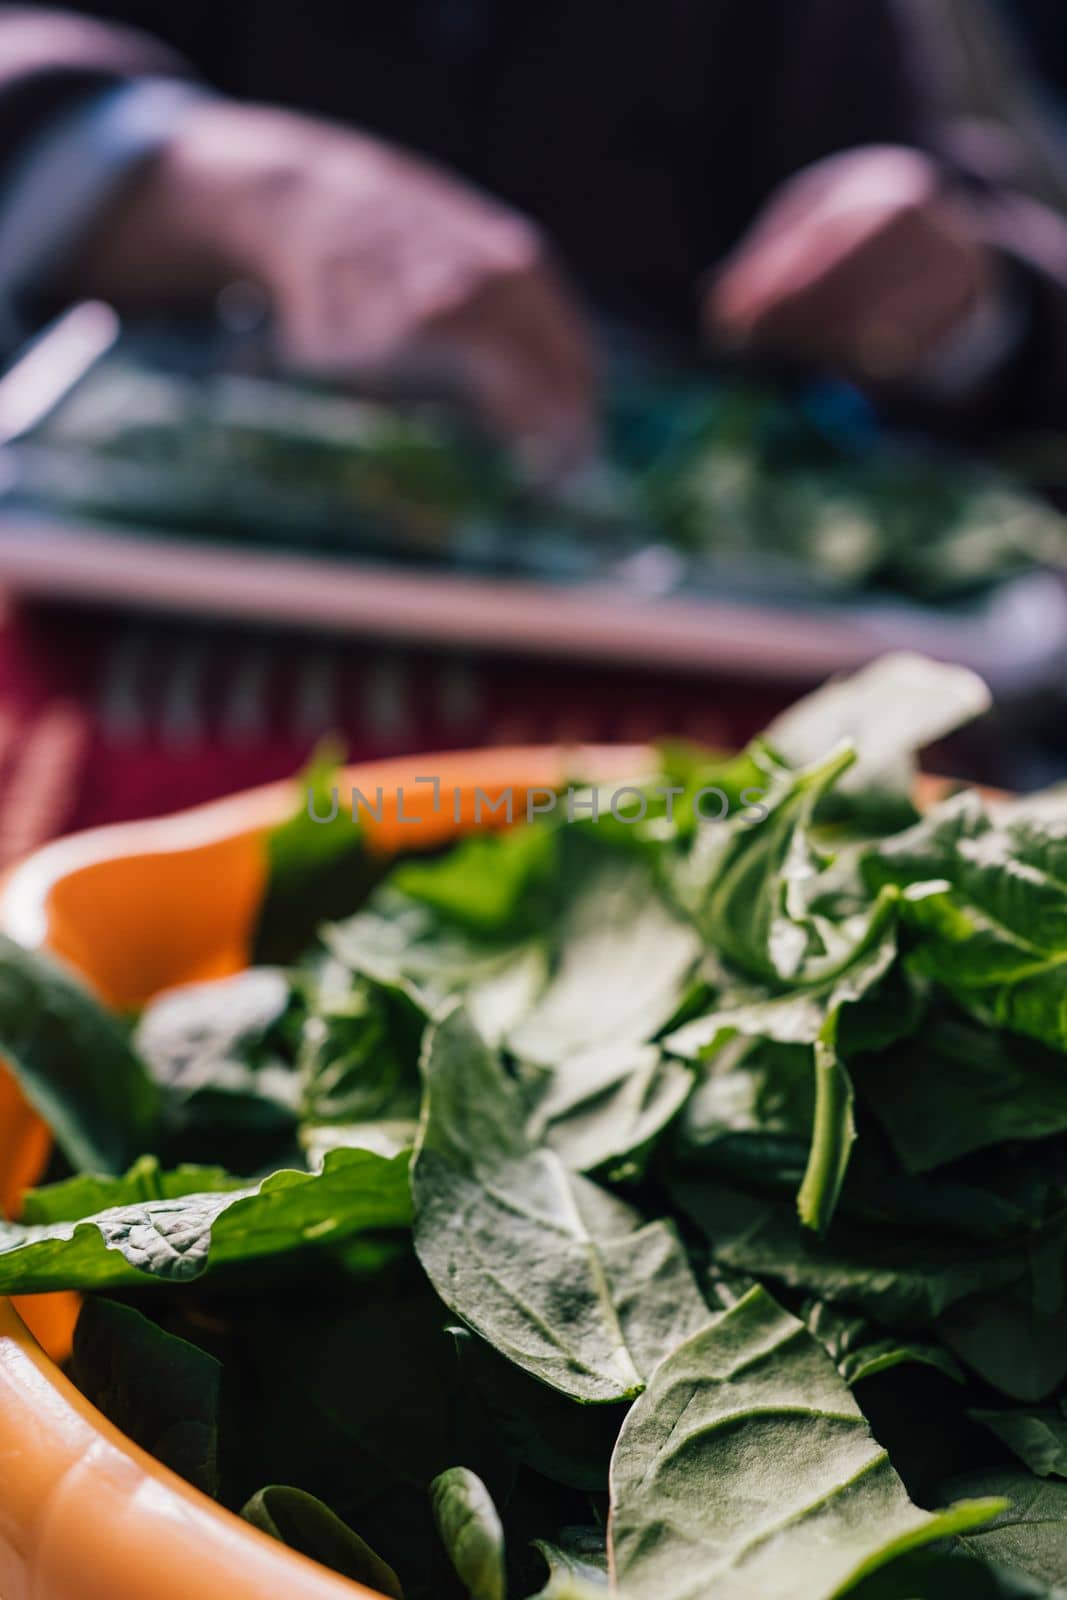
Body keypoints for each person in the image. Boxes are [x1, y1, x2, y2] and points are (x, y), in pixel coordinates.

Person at [1, 0, 1066, 472]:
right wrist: (191, 177)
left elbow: (987, 257)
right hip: (145, 670)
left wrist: (960, 294)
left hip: (667, 714)